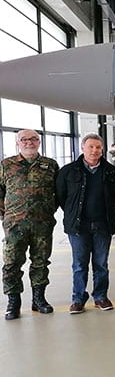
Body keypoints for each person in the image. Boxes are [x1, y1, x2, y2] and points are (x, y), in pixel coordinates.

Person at [56, 133, 115, 314]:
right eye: (91, 147)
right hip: (78, 226)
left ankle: (100, 296)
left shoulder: (110, 171)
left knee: (101, 264)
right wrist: (73, 214)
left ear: (102, 150)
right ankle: (78, 298)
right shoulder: (68, 171)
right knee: (79, 264)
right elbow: (62, 197)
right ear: (83, 148)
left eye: (98, 147)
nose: (94, 150)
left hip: (103, 225)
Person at [1, 130, 59, 320]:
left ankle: (39, 299)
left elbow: (58, 192)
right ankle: (13, 302)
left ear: (39, 142)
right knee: (12, 263)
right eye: (24, 140)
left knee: (41, 262)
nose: (29, 143)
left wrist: (49, 210)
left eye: (33, 139)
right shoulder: (6, 165)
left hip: (42, 224)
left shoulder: (50, 165)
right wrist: (7, 216)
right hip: (14, 225)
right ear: (17, 142)